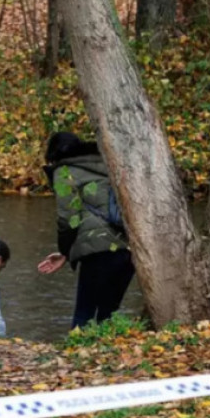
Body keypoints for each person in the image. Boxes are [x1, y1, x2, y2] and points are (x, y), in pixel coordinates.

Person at [37, 132, 135, 329]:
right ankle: (105, 355)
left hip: (97, 250)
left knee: (84, 313)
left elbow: (68, 219)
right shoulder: (109, 165)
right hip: (127, 250)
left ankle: (75, 356)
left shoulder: (64, 172)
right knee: (107, 315)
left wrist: (65, 250)